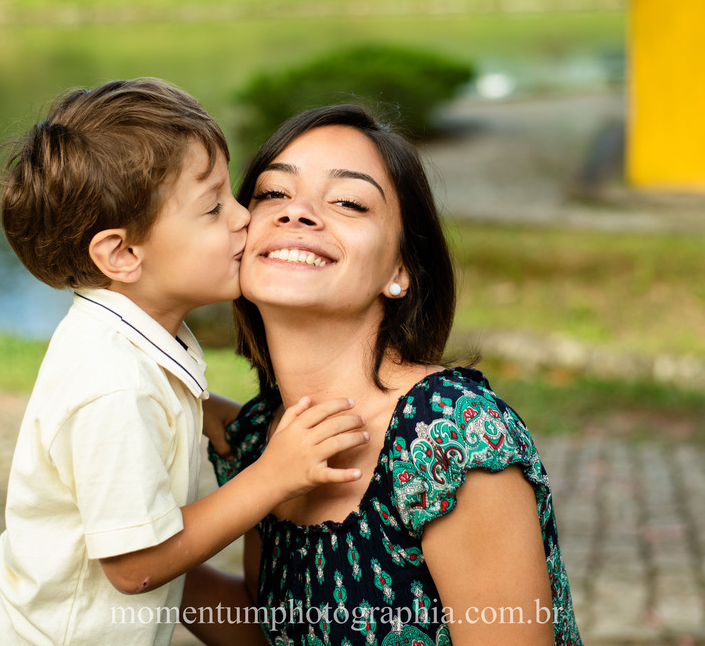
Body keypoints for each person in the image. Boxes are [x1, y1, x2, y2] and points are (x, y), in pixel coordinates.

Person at [0, 79, 368, 646]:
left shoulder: (123, 336)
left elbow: (158, 398)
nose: (243, 217)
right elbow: (135, 567)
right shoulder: (113, 385)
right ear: (123, 254)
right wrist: (273, 475)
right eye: (212, 206)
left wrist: (211, 413)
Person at [210, 104, 582, 646]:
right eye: (273, 194)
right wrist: (114, 557)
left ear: (399, 270)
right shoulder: (263, 440)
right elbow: (272, 631)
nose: (299, 213)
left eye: (349, 202)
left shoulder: (449, 437)